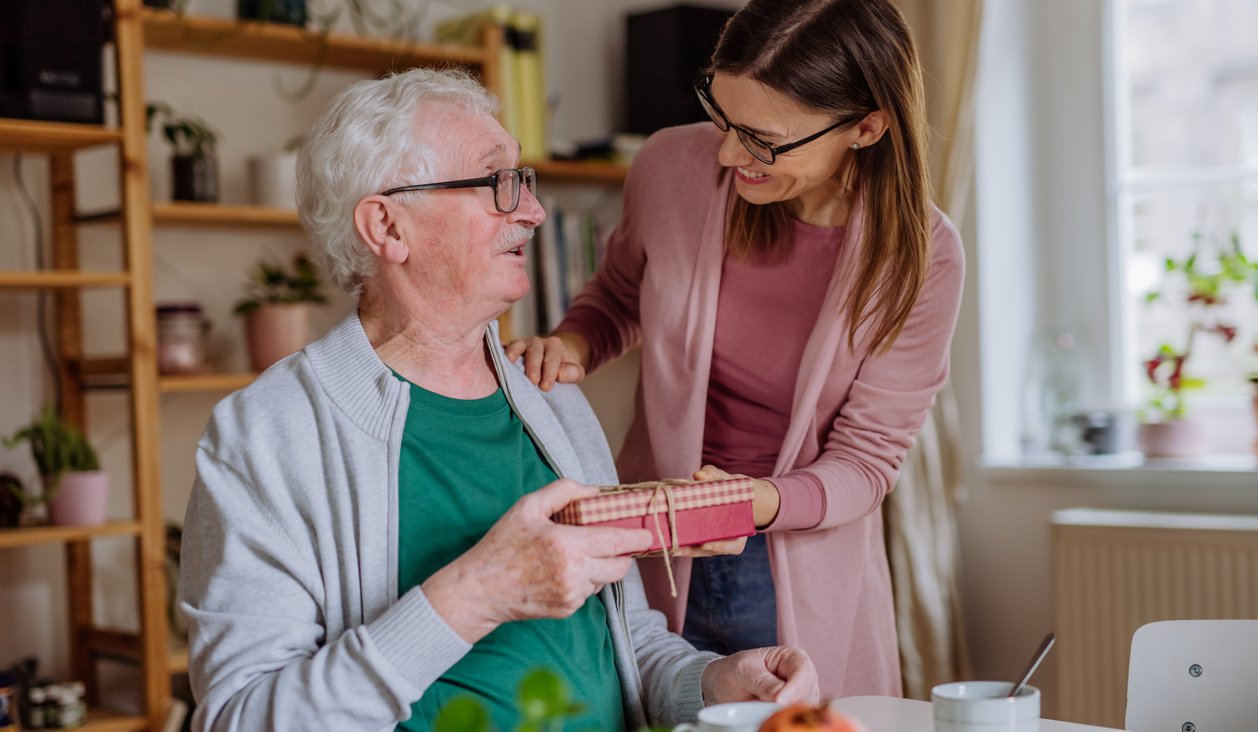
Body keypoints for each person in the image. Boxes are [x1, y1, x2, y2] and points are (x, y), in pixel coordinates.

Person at [178, 68, 818, 732]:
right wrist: (474, 594)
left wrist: (714, 683)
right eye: (495, 184)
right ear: (388, 226)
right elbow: (240, 719)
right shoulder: (266, 434)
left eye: (524, 182)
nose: (534, 212)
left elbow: (625, 646)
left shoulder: (553, 402)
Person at [506, 0, 964, 700]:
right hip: (652, 542)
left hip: (793, 565)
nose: (725, 154)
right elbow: (620, 292)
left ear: (866, 127)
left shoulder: (923, 258)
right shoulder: (669, 166)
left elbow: (867, 463)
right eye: (719, 116)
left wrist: (748, 503)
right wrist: (571, 344)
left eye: (761, 139)